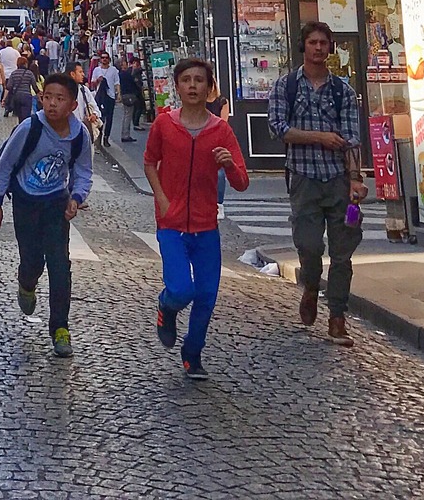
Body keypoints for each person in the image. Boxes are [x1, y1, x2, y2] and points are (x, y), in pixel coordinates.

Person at [145, 57, 250, 380]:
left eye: (199, 80)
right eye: (187, 80)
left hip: (206, 225)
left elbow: (242, 182)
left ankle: (193, 353)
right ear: (177, 87)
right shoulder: (164, 124)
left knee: (206, 295)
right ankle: (167, 306)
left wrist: (229, 163)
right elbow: (150, 162)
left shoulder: (221, 131)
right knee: (181, 290)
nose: (193, 85)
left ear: (209, 88)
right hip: (172, 224)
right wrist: (162, 199)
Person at [268, 19, 367, 345]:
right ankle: (311, 285)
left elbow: (352, 139)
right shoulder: (286, 87)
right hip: (304, 178)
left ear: (330, 48)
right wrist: (319, 138)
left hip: (338, 180)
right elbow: (278, 129)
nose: (319, 48)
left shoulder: (343, 91)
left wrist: (355, 180)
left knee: (343, 254)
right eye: (313, 42)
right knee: (309, 245)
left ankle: (337, 317)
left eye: (324, 43)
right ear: (304, 46)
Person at [0, 73, 93, 357]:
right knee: (32, 260)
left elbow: (84, 171)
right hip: (25, 201)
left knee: (60, 267)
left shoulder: (80, 134)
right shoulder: (30, 128)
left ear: (72, 104)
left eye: (60, 99)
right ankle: (26, 283)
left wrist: (77, 197)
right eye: (48, 97)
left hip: (56, 203)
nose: (52, 104)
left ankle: (60, 328)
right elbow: (5, 165)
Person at [91, 53, 120, 148]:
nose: (104, 59)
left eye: (106, 58)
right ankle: (98, 138)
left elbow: (117, 83)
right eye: (102, 58)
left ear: (109, 59)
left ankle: (106, 137)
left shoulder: (114, 70)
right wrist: (97, 81)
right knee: (100, 117)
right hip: (99, 96)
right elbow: (92, 84)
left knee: (109, 118)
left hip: (110, 96)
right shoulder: (96, 70)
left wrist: (118, 94)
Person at [118, 54, 144, 142]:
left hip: (125, 95)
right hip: (129, 95)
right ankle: (125, 135)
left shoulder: (120, 74)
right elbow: (134, 82)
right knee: (128, 115)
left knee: (127, 114)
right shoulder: (126, 74)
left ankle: (125, 134)